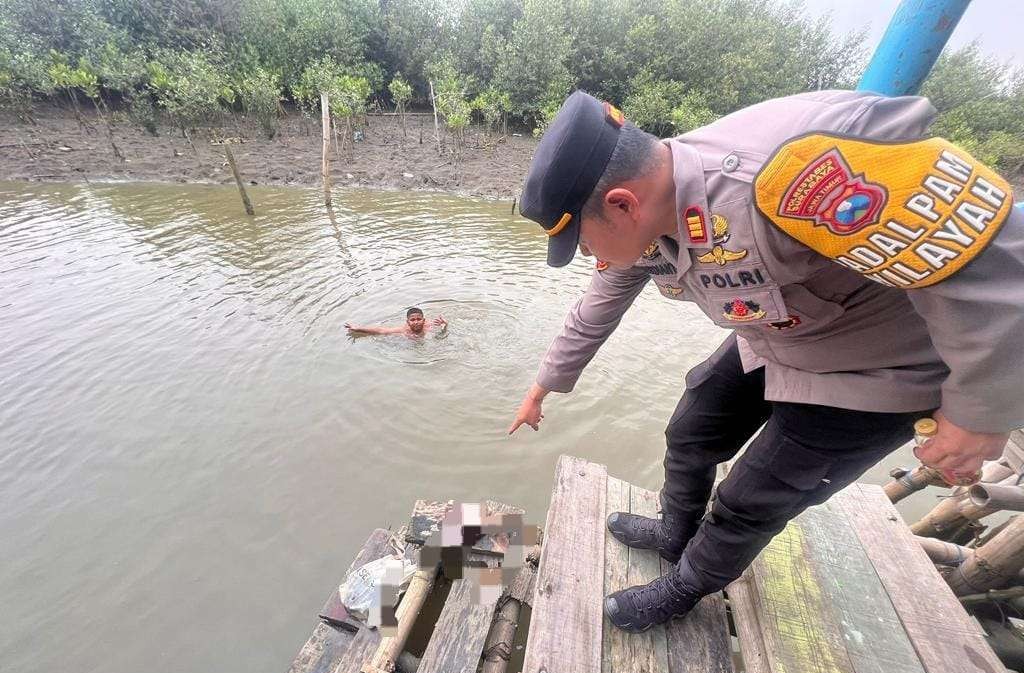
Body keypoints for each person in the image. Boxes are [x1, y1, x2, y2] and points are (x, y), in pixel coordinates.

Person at [509, 90, 1023, 633]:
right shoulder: (646, 221)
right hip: (777, 336)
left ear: (620, 204)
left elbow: (997, 271)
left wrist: (978, 413)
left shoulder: (796, 171)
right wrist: (543, 386)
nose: (588, 257)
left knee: (751, 497)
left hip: (878, 373)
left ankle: (685, 588)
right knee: (691, 430)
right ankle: (674, 531)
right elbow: (594, 309)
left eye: (582, 243)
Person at [346, 307, 447, 338]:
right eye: (412, 320)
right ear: (407, 322)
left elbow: (443, 331)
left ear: (423, 320)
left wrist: (445, 325)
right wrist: (358, 328)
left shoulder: (429, 325)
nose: (416, 322)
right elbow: (381, 330)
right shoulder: (402, 330)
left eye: (419, 319)